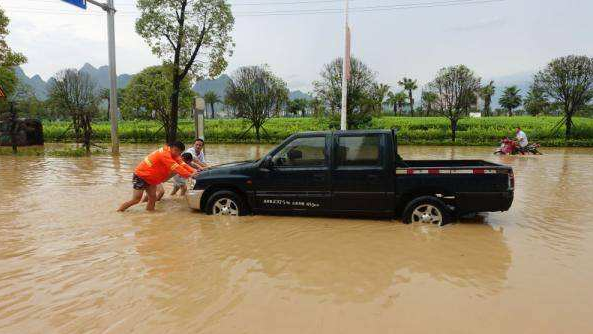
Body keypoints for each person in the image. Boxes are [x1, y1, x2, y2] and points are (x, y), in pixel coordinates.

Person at [117, 141, 197, 212]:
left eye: (180, 153)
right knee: (136, 199)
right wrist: (189, 175)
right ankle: (119, 211)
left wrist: (194, 171)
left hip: (152, 178)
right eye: (178, 152)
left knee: (152, 198)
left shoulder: (174, 154)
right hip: (141, 175)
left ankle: (150, 213)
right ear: (173, 148)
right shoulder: (164, 154)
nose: (179, 155)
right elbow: (175, 167)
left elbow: (182, 164)